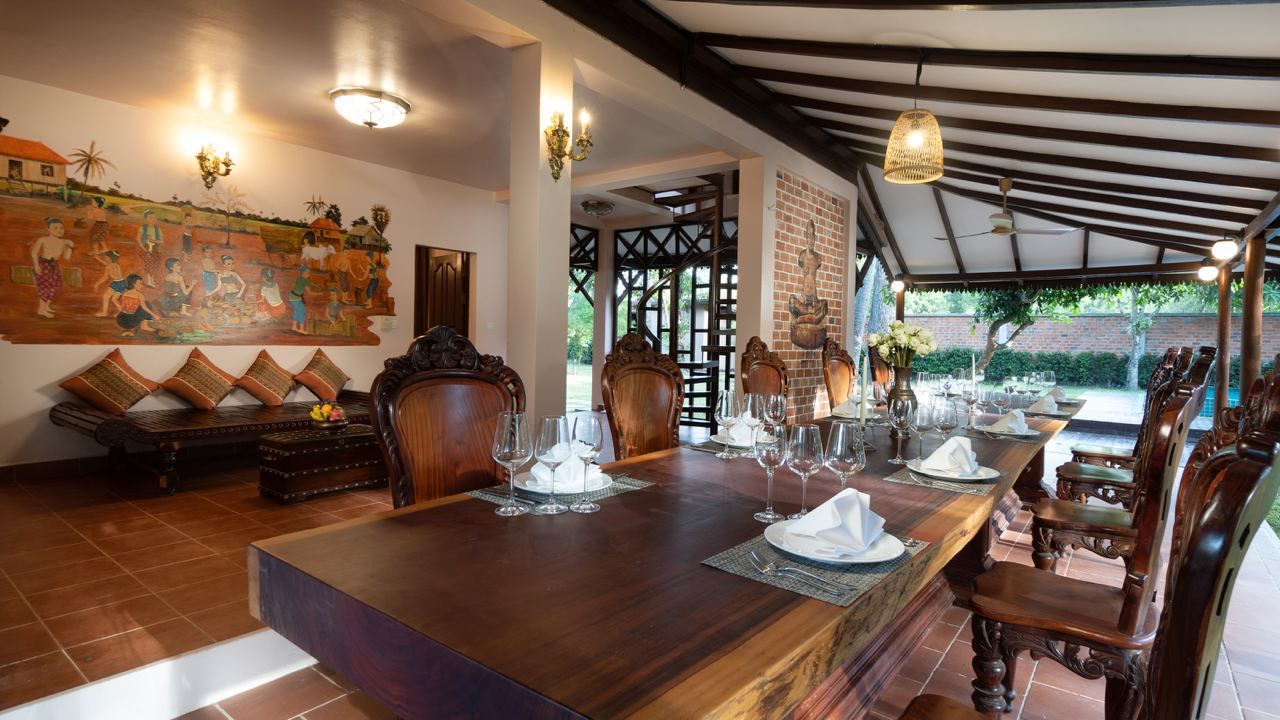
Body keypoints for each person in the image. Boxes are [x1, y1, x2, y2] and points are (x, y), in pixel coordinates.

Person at [31, 217, 74, 318]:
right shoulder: (43, 240)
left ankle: (46, 307)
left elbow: (66, 257)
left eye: (61, 228)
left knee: (55, 286)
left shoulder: (63, 242)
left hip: (54, 265)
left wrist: (70, 246)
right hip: (44, 264)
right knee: (45, 286)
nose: (59, 230)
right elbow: (34, 252)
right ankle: (41, 310)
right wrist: (36, 265)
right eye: (55, 228)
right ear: (48, 229)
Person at [93, 250, 127, 317]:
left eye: (106, 257)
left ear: (110, 258)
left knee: (108, 297)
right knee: (113, 299)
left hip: (117, 283)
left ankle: (105, 313)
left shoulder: (109, 266)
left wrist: (97, 284)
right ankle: (121, 312)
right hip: (121, 282)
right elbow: (107, 264)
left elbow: (105, 277)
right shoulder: (115, 264)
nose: (105, 258)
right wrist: (98, 258)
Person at [135, 210, 164, 287]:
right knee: (149, 263)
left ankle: (152, 279)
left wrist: (153, 240)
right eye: (150, 217)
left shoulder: (158, 229)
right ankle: (149, 281)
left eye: (154, 217)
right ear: (146, 219)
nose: (153, 219)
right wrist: (143, 248)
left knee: (156, 263)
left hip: (154, 248)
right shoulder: (143, 228)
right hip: (145, 247)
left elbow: (161, 241)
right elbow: (138, 239)